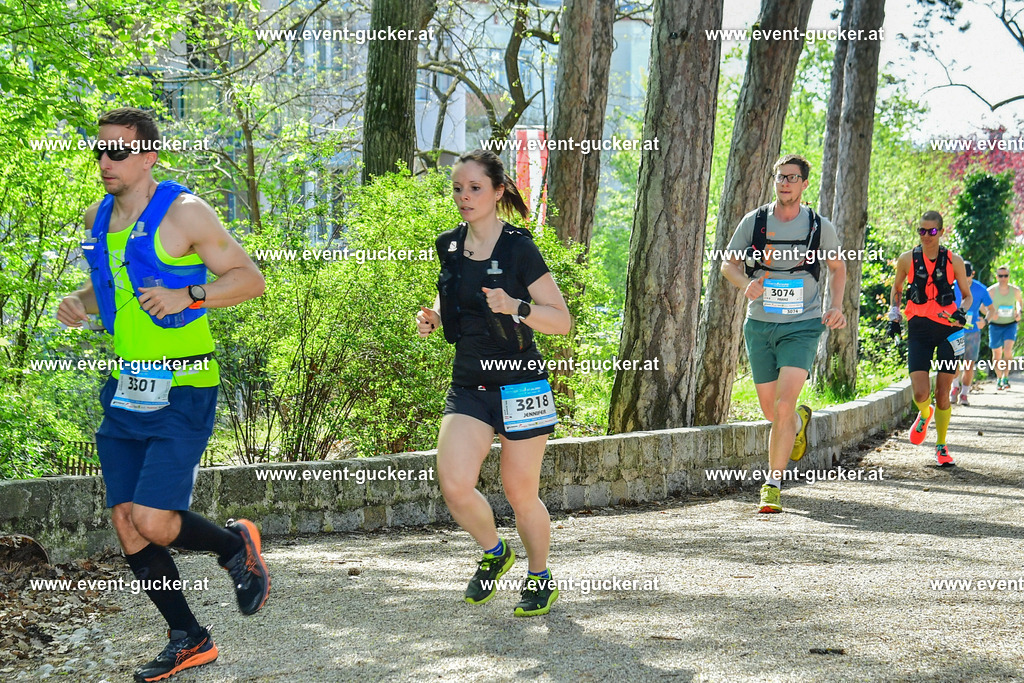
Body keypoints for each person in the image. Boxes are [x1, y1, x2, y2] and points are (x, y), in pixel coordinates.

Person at [56, 108, 268, 682]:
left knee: (153, 518)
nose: (105, 162)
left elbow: (250, 280)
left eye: (118, 152)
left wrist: (190, 294)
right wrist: (80, 302)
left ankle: (232, 547)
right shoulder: (96, 218)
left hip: (183, 383)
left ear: (149, 156)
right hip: (126, 386)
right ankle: (189, 636)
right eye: (99, 151)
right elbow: (113, 291)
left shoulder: (185, 212)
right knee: (126, 522)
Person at [416, 149, 571, 616]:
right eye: (458, 189)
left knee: (520, 491)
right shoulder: (448, 245)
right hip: (469, 385)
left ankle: (539, 577)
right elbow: (456, 302)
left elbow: (561, 321)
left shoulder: (519, 248)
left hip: (522, 385)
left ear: (498, 191)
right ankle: (494, 551)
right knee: (454, 483)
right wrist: (432, 316)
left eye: (474, 188)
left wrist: (517, 306)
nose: (464, 197)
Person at [722, 154, 847, 514]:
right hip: (760, 325)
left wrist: (835, 306)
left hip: (803, 325)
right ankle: (798, 422)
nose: (785, 183)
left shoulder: (819, 226)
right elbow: (728, 264)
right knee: (771, 411)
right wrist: (746, 283)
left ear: (805, 184)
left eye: (792, 178)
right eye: (780, 177)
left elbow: (838, 268)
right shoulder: (755, 221)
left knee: (783, 403)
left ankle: (772, 485)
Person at [888, 211, 971, 467]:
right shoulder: (906, 260)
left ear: (941, 232)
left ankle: (941, 446)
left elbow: (966, 296)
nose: (926, 236)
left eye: (931, 231)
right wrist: (894, 315)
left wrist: (961, 312)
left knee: (944, 391)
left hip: (949, 332)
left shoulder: (953, 261)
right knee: (921, 393)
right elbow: (897, 290)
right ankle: (925, 414)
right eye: (921, 231)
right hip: (919, 331)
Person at [949, 261, 993, 406]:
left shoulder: (981, 289)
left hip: (973, 332)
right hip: (954, 330)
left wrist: (985, 321)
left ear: (972, 274)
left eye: (968, 276)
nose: (966, 280)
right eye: (962, 276)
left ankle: (964, 394)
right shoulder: (951, 285)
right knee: (953, 362)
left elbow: (992, 310)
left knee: (969, 364)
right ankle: (954, 386)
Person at [987, 265, 1022, 390]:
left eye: (1005, 276)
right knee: (996, 354)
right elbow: (983, 305)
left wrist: (1019, 312)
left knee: (1007, 350)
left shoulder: (1015, 290)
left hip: (1010, 324)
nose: (1003, 278)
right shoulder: (991, 291)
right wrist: (991, 314)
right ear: (997, 277)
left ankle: (1006, 377)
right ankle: (999, 377)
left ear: (1008, 276)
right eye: (1000, 276)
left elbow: (1019, 303)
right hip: (995, 325)